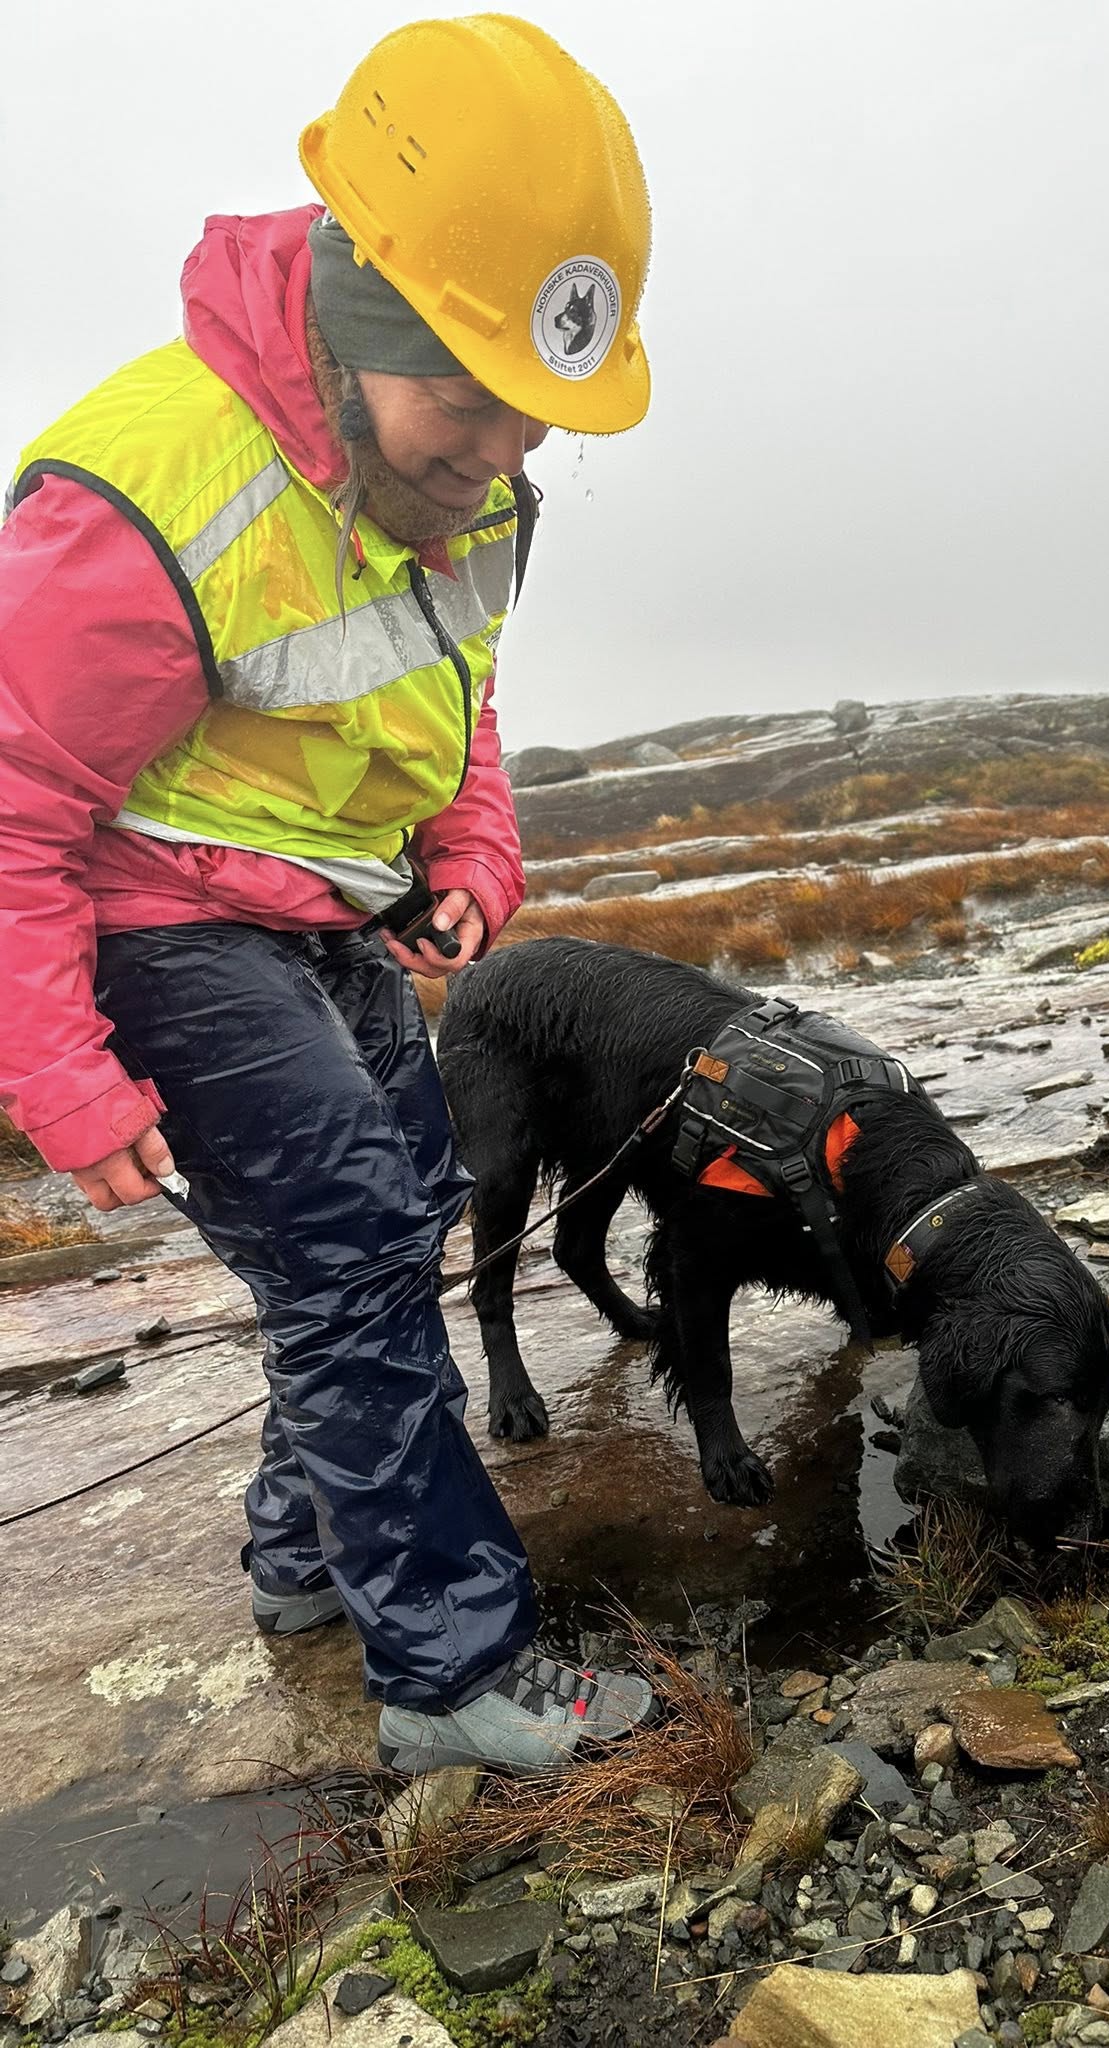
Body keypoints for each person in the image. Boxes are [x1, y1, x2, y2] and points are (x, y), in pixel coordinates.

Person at [0, 15, 655, 1776]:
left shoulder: (475, 478)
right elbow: (11, 800)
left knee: (405, 1204)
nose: (503, 444)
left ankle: (307, 1558)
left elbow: (460, 694)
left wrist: (472, 854)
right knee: (358, 1250)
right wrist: (58, 1071)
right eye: (466, 393)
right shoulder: (143, 497)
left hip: (321, 911)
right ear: (361, 330)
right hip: (162, 920)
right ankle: (447, 1674)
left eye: (537, 404)